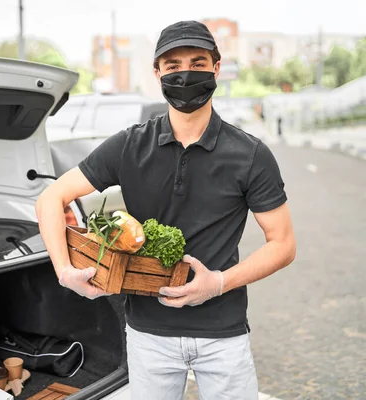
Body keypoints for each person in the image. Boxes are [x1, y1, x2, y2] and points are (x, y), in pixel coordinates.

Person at [35, 20, 296, 400]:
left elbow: (283, 243)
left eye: (198, 62)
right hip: (147, 335)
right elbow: (49, 199)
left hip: (222, 334)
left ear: (216, 68)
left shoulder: (250, 155)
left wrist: (219, 283)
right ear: (157, 73)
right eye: (173, 66)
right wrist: (63, 271)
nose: (186, 72)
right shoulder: (129, 146)